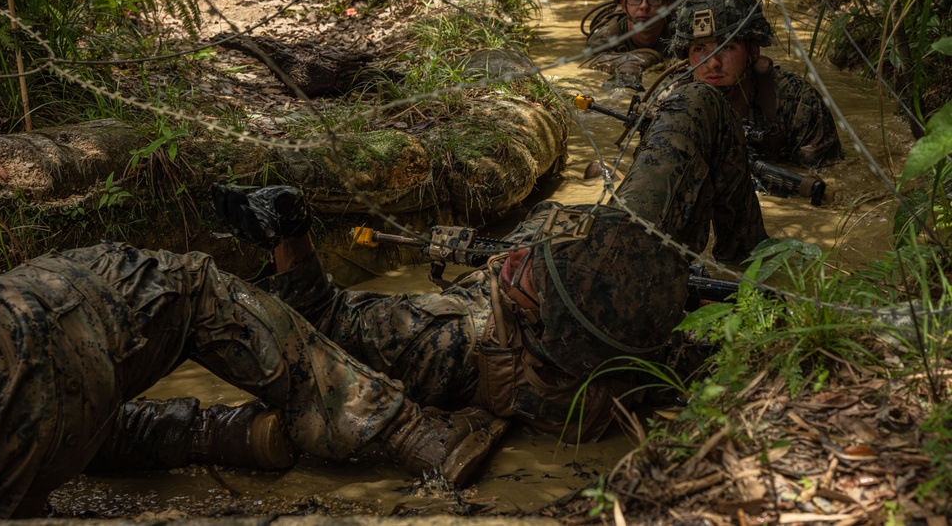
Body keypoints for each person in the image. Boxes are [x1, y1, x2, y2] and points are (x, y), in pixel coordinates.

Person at [213, 80, 767, 450]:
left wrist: (289, 237)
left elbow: (325, 320)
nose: (518, 263)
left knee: (687, 108)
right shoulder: (620, 307)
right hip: (613, 287)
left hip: (571, 301)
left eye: (524, 267)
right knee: (690, 105)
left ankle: (749, 255)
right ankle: (753, 254)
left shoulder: (458, 338)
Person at [0, 239, 509, 518]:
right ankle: (409, 432)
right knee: (190, 287)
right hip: (9, 345)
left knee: (30, 413)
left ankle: (217, 434)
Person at [669, 0, 844, 168]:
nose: (713, 63)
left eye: (726, 47)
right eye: (699, 49)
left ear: (753, 50)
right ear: (687, 57)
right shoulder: (672, 106)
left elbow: (830, 178)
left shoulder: (797, 103)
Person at [581, 0, 681, 91]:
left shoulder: (681, 34)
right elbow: (586, 69)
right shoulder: (604, 39)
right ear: (623, 4)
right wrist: (626, 62)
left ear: (668, 3)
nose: (644, 6)